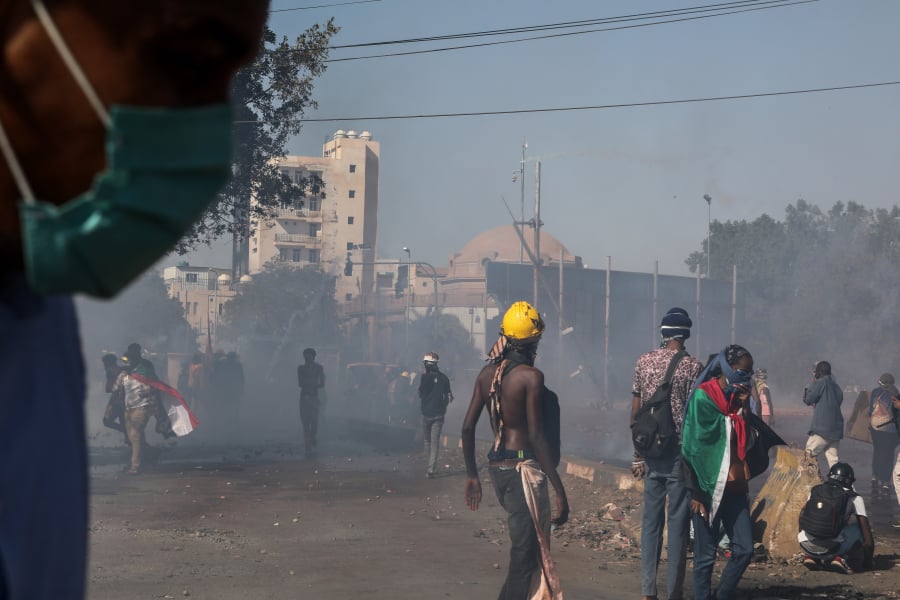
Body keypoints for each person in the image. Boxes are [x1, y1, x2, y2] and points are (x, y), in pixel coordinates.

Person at [462, 301, 568, 599]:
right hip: (522, 469)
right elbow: (536, 435)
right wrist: (559, 490)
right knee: (524, 554)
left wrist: (472, 474)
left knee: (525, 550)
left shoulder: (486, 375)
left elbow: (467, 428)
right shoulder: (531, 378)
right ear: (531, 343)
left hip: (498, 469)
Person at [630, 307, 703, 600]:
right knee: (677, 527)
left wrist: (638, 454)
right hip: (678, 454)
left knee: (650, 525)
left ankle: (648, 592)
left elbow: (635, 412)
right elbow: (695, 415)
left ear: (663, 332)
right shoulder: (693, 367)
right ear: (685, 335)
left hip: (649, 451)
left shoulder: (643, 362)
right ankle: (674, 592)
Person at [682, 345, 756, 600]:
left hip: (734, 486)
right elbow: (691, 447)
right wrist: (696, 491)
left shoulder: (738, 400)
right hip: (706, 488)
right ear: (726, 368)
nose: (745, 378)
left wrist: (745, 409)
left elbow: (748, 442)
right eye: (741, 372)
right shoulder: (703, 398)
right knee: (705, 555)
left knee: (745, 548)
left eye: (749, 373)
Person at [799, 462, 875, 573]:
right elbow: (867, 537)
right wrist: (868, 562)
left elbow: (802, 515)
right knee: (860, 529)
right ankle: (842, 559)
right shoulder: (854, 497)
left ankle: (812, 558)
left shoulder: (815, 490)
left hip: (805, 544)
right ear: (849, 481)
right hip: (832, 549)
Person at [111, 344, 160, 474]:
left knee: (135, 434)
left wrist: (144, 393)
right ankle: (148, 457)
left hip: (143, 406)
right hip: (128, 407)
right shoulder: (125, 372)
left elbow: (154, 385)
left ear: (138, 353)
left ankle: (135, 465)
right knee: (133, 437)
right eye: (128, 357)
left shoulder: (145, 367)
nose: (129, 360)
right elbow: (115, 388)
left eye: (132, 355)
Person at [804, 361, 844, 469]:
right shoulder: (836, 386)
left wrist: (812, 384)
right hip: (836, 429)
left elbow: (808, 400)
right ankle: (841, 484)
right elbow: (839, 401)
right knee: (833, 459)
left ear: (818, 373)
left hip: (822, 429)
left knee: (808, 455)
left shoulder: (821, 382)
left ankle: (808, 482)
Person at [419, 351, 453, 478]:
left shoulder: (423, 377)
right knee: (434, 443)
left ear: (426, 364)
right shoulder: (444, 378)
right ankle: (431, 468)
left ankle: (430, 466)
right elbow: (449, 397)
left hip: (426, 414)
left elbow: (420, 394)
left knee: (428, 441)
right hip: (439, 415)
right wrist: (443, 408)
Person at [868, 374, 899, 499]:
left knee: (877, 452)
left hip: (875, 428)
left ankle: (875, 476)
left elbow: (871, 410)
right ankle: (886, 482)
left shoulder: (875, 392)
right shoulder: (895, 393)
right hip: (890, 430)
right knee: (888, 454)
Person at [297, 347, 325, 456]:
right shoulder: (300, 368)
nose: (307, 357)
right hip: (304, 397)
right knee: (305, 423)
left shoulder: (319, 368)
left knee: (314, 422)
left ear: (313, 356)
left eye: (309, 355)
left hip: (314, 397)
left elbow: (322, 384)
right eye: (305, 355)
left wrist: (310, 383)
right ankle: (307, 446)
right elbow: (300, 383)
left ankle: (312, 437)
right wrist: (312, 382)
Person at [101, 353, 128, 443]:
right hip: (119, 400)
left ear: (109, 363)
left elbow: (109, 388)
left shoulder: (115, 371)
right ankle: (127, 432)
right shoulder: (116, 371)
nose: (104, 366)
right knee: (111, 421)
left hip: (120, 401)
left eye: (105, 364)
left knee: (109, 421)